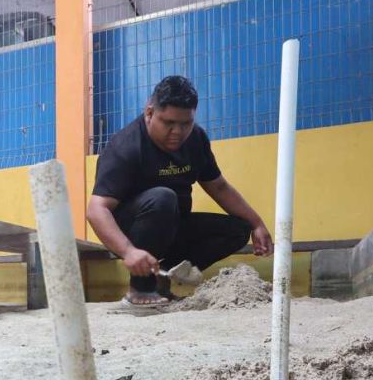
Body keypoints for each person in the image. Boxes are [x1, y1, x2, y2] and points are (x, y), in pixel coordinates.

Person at [86, 75, 272, 307]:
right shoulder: (126, 146)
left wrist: (257, 223)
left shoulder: (196, 140)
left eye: (186, 124)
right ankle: (139, 290)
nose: (177, 132)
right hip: (130, 232)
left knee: (237, 229)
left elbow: (219, 186)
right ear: (150, 113)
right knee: (163, 197)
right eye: (169, 123)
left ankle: (162, 274)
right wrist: (128, 251)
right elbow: (96, 209)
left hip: (173, 225)